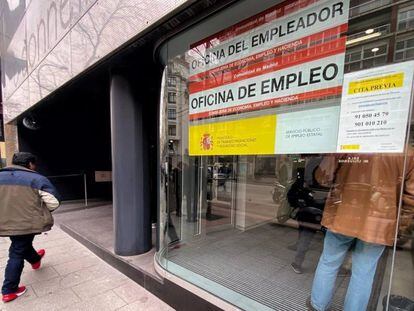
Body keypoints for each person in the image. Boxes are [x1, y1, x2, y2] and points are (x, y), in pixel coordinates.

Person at [307, 153, 414, 311]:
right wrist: (402, 225)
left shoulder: (351, 142)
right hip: (378, 222)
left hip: (343, 215)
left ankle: (317, 305)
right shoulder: (407, 152)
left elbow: (323, 177)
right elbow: (411, 197)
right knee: (364, 273)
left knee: (329, 262)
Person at [0, 152, 60, 303]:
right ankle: (9, 290)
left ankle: (35, 259)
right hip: (27, 223)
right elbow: (54, 202)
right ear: (30, 164)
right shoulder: (37, 179)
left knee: (20, 244)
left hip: (5, 221)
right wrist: (41, 212)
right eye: (34, 164)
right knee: (17, 250)